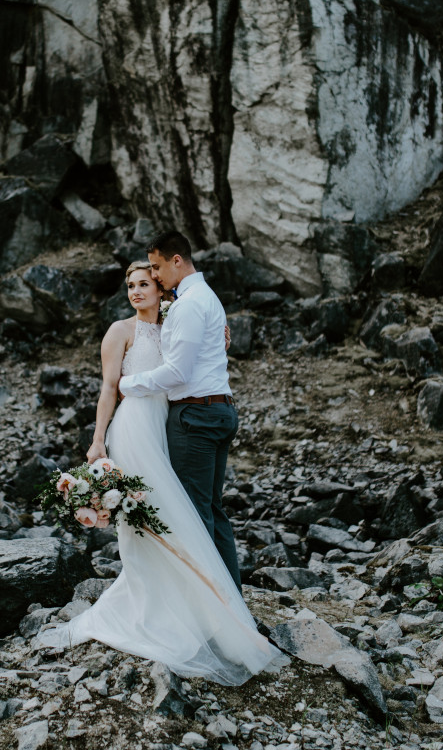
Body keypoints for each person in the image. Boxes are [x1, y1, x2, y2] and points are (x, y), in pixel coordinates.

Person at [40, 261, 285, 686]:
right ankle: (158, 606)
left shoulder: (175, 321)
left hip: (168, 426)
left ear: (160, 288)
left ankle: (195, 607)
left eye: (143, 284)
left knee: (174, 515)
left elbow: (193, 354)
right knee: (151, 517)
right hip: (134, 429)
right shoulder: (120, 331)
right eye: (129, 286)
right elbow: (108, 387)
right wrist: (98, 439)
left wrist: (218, 337)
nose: (135, 292)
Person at [119, 231, 241, 588]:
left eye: (156, 268)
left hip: (196, 418)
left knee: (193, 515)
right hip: (217, 410)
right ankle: (231, 599)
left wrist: (126, 385)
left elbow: (177, 373)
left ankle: (212, 610)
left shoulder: (188, 305)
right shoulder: (205, 298)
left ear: (176, 261)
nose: (155, 276)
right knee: (212, 511)